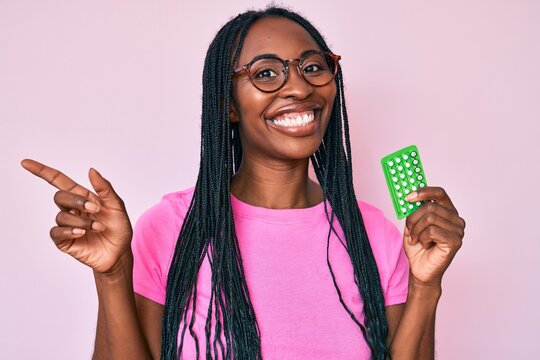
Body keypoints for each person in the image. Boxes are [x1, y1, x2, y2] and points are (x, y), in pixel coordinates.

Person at [21, 6, 465, 360]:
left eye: (313, 66)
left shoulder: (375, 234)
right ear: (228, 105)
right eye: (266, 73)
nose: (298, 87)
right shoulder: (172, 227)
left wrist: (427, 285)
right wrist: (114, 275)